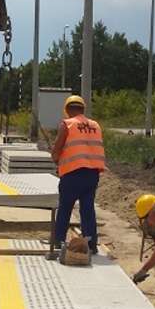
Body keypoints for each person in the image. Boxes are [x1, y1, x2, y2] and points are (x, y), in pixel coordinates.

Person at [48, 94, 106, 259]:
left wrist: (55, 158)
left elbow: (58, 148)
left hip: (73, 174)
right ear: (83, 109)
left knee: (65, 208)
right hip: (92, 174)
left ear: (67, 110)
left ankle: (58, 240)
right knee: (87, 209)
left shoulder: (67, 124)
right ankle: (91, 244)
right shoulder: (95, 125)